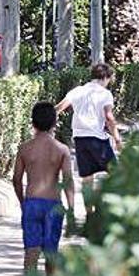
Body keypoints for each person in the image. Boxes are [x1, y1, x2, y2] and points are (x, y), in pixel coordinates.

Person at [12, 102, 75, 276]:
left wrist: (23, 201)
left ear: (33, 123)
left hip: (31, 203)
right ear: (54, 123)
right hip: (53, 205)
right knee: (51, 254)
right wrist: (71, 209)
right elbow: (68, 181)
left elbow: (16, 179)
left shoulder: (25, 148)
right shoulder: (62, 150)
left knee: (31, 252)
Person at [54, 63, 122, 214]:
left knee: (87, 179)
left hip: (80, 139)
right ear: (105, 77)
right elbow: (109, 118)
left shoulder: (77, 91)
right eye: (109, 79)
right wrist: (117, 139)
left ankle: (90, 215)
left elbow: (59, 108)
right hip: (97, 139)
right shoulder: (105, 94)